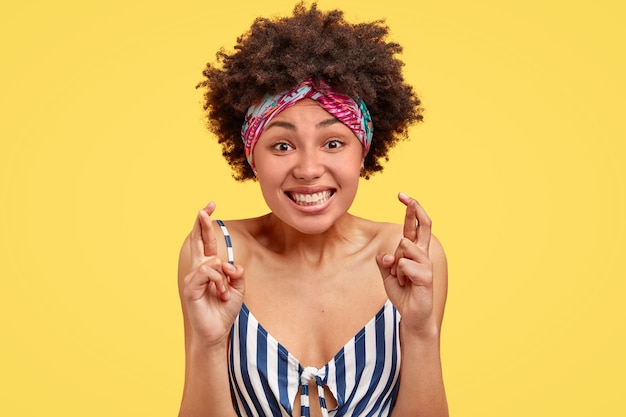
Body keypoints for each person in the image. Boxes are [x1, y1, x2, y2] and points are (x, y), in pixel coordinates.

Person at [177, 3, 449, 416]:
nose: (307, 169)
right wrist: (209, 345)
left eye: (333, 143)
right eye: (282, 145)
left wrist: (420, 331)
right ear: (252, 156)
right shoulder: (217, 254)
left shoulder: (410, 255)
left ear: (364, 152)